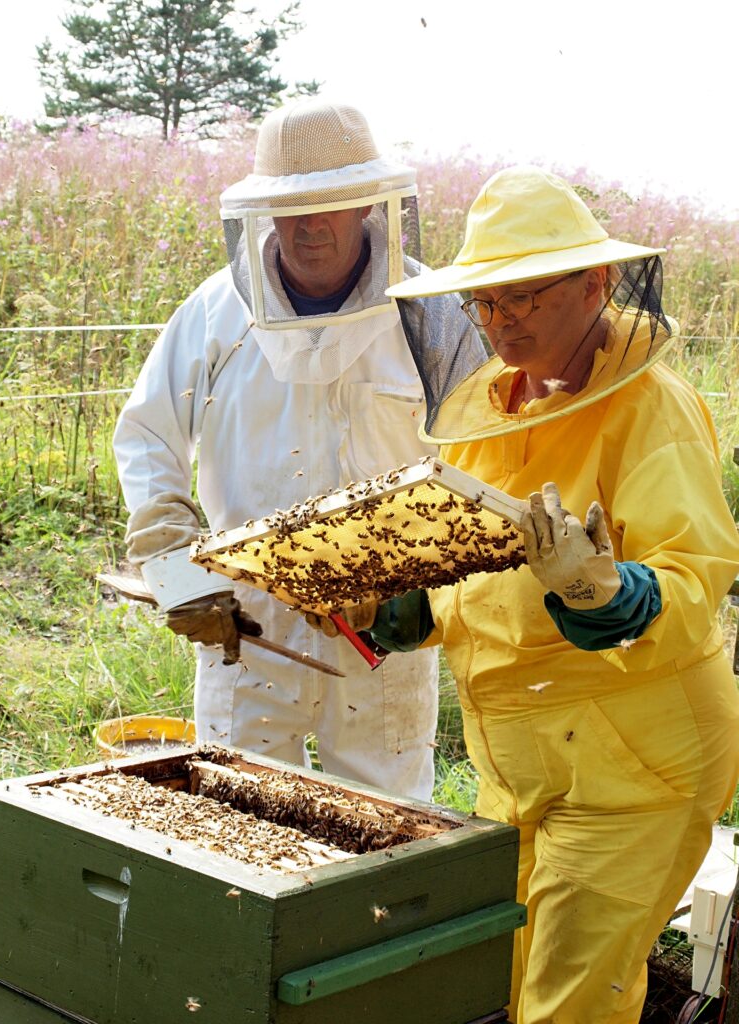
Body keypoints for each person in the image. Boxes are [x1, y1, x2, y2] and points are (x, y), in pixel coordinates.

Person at [382, 166, 739, 1022]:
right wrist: (403, 607)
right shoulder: (490, 410)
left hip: (637, 762)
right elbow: (468, 574)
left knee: (570, 1006)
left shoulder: (651, 407)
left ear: (596, 285)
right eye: (486, 305)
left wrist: (609, 592)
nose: (501, 325)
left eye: (525, 300)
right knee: (499, 981)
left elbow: (695, 577)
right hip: (515, 758)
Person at [113, 99, 485, 801]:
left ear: (369, 206)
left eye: (331, 203)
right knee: (239, 827)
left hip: (387, 626)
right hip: (250, 621)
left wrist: (420, 593)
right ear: (264, 211)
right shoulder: (216, 311)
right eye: (292, 206)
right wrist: (176, 570)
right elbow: (146, 436)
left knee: (385, 836)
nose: (311, 224)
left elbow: (486, 459)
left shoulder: (433, 312)